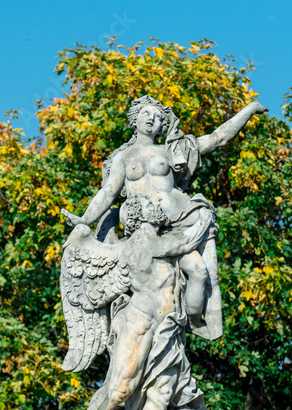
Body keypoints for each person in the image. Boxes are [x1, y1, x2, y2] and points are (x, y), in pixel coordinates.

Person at [62, 95, 268, 339]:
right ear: (134, 119)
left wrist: (249, 109)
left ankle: (193, 322)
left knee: (200, 272)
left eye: (158, 117)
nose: (152, 119)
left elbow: (217, 138)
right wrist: (84, 219)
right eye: (146, 114)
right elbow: (107, 193)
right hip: (144, 229)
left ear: (163, 125)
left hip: (179, 222)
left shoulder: (172, 150)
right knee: (152, 287)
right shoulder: (124, 158)